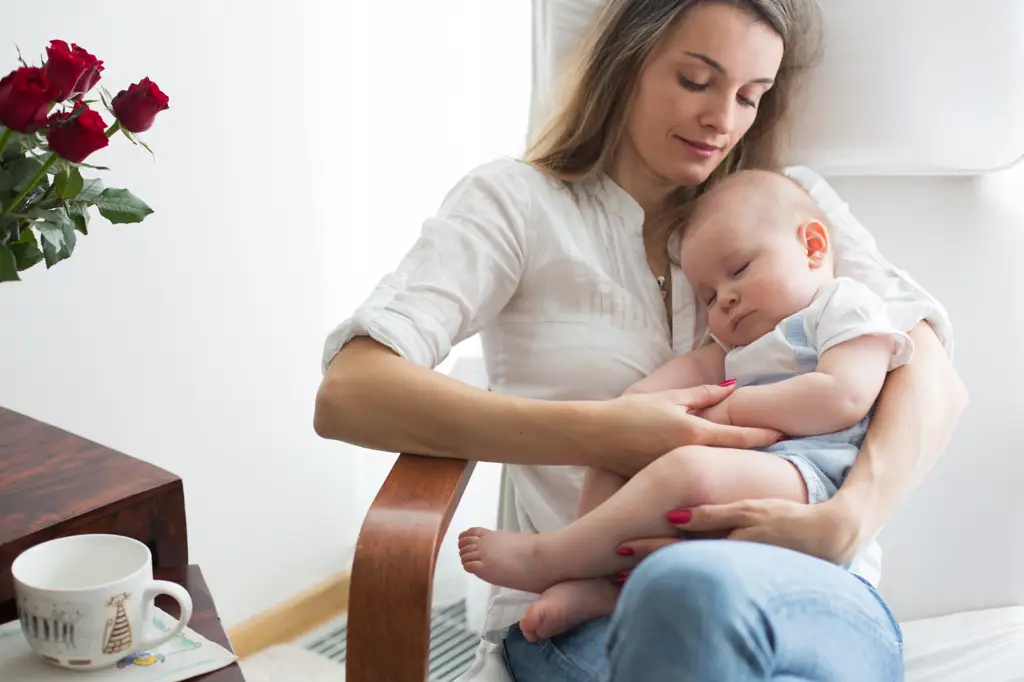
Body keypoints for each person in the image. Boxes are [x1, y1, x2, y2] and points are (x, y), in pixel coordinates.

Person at [314, 0, 968, 679]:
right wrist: (600, 432)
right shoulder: (516, 204)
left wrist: (849, 517)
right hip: (590, 614)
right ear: (625, 63)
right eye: (695, 81)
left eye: (750, 96)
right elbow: (351, 393)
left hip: (810, 589)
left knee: (705, 598)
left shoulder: (783, 203)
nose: (723, 121)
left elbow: (932, 376)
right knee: (684, 593)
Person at [456, 167, 916, 644]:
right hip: (736, 486)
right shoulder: (735, 348)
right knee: (616, 447)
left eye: (739, 270)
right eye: (710, 297)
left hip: (812, 479)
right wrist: (626, 414)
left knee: (689, 472)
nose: (727, 299)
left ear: (813, 247)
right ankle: (601, 578)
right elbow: (665, 387)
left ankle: (550, 558)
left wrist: (735, 408)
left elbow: (843, 396)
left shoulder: (842, 306)